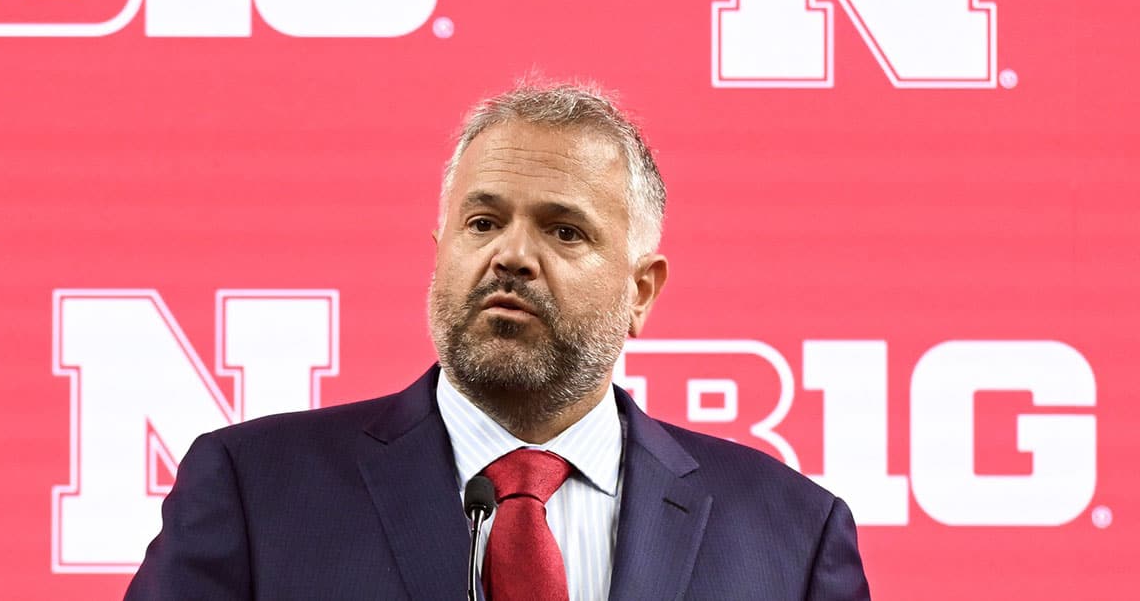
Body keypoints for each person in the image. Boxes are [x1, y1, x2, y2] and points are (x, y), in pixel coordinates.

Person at [125, 82, 870, 600]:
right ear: (440, 247)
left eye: (564, 230)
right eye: (482, 222)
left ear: (640, 290)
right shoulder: (258, 492)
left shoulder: (789, 535)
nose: (510, 255)